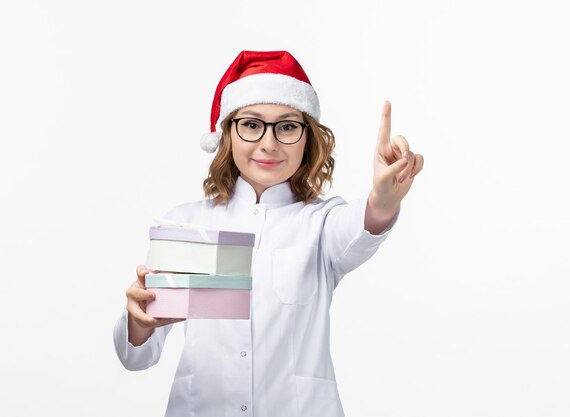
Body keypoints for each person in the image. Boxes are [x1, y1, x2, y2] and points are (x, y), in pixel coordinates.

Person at [113, 50, 423, 417]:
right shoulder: (186, 224)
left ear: (308, 138)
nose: (269, 143)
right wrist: (138, 320)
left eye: (288, 126)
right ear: (227, 132)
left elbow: (362, 225)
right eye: (252, 124)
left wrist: (383, 199)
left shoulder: (322, 223)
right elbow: (137, 357)